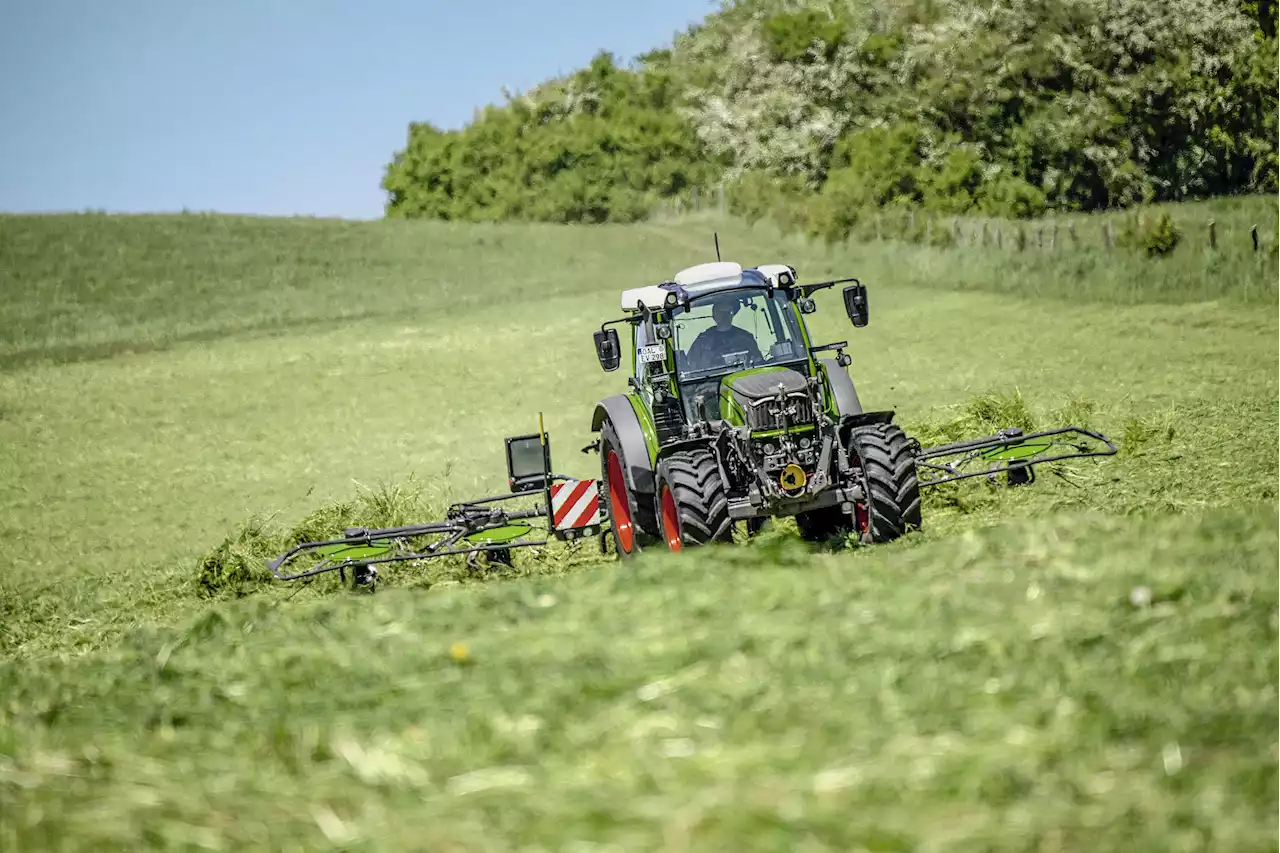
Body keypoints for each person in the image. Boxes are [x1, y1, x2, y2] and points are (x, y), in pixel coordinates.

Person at [686, 295, 763, 371]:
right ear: (714, 314)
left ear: (733, 314)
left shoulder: (745, 338)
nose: (724, 316)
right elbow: (692, 368)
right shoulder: (702, 341)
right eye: (720, 312)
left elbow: (758, 362)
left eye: (728, 312)